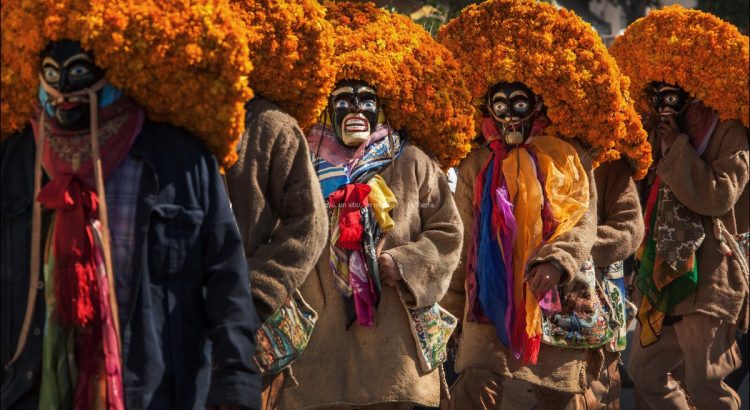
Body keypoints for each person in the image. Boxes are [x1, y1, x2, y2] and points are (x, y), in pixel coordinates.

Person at [1, 2, 262, 409]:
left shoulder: (182, 162)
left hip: (156, 393)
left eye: (80, 73)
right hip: (28, 394)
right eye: (52, 75)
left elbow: (227, 282)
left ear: (116, 68)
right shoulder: (13, 162)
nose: (65, 91)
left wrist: (236, 389)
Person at [438, 0, 651, 408]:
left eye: (518, 103)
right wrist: (447, 311)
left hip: (557, 298)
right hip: (488, 301)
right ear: (488, 110)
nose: (509, 114)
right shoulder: (475, 164)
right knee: (471, 389)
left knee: (561, 398)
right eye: (499, 105)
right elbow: (464, 238)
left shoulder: (568, 155)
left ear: (537, 104)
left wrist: (558, 262)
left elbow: (583, 222)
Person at [278, 3, 476, 409]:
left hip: (393, 349)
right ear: (325, 105)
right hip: (320, 346)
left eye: (366, 99)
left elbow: (449, 232)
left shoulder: (413, 160)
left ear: (382, 105)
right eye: (343, 98)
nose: (355, 108)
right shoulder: (300, 159)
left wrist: (404, 263)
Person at [611, 6, 749, 410]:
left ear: (691, 88)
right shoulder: (656, 131)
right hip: (659, 274)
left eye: (669, 94)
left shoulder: (729, 131)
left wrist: (677, 151)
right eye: (655, 96)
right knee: (645, 374)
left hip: (709, 274)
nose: (661, 104)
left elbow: (719, 196)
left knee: (706, 380)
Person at [224, 2, 334, 408]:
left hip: (247, 327)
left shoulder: (272, 127)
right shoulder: (159, 124)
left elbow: (309, 224)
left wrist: (256, 294)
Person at [587, 159, 644, 409]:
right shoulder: (518, 156)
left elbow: (629, 229)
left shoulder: (607, 162)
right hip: (530, 302)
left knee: (598, 388)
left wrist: (570, 250)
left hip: (596, 298)